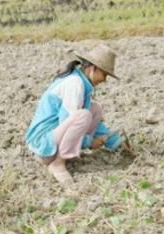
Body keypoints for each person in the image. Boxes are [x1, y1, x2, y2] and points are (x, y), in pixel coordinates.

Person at [25, 44, 123, 186]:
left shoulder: (82, 82)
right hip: (43, 145)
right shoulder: (74, 84)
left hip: (54, 138)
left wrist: (112, 140)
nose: (104, 80)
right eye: (104, 74)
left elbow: (86, 119)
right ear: (93, 68)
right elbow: (69, 120)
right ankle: (58, 164)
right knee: (83, 116)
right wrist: (89, 142)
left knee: (95, 109)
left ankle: (65, 154)